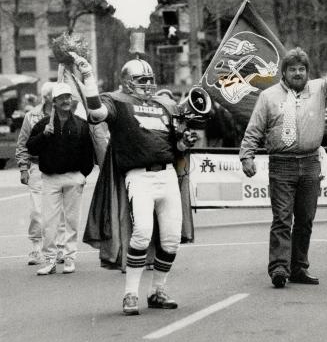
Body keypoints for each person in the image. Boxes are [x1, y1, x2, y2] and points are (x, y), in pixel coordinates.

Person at [73, 54, 198, 316]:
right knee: (141, 232)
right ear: (127, 82)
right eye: (142, 80)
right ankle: (130, 293)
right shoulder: (117, 101)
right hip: (138, 176)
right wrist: (88, 79)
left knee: (171, 239)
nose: (148, 85)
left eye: (150, 80)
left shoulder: (164, 104)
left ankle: (158, 291)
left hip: (166, 176)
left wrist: (185, 143)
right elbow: (96, 113)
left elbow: (174, 145)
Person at [240, 47, 325, 288]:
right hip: (282, 164)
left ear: (308, 71)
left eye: (302, 69)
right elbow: (254, 128)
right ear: (284, 73)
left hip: (310, 163)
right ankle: (279, 268)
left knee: (306, 219)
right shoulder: (268, 97)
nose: (298, 73)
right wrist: (247, 155)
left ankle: (299, 267)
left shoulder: (319, 90)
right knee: (282, 218)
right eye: (292, 69)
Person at [26, 82, 94, 275]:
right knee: (49, 222)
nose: (66, 101)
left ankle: (70, 257)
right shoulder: (43, 124)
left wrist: (83, 175)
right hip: (49, 178)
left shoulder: (81, 124)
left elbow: (88, 153)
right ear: (54, 102)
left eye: (68, 97)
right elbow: (31, 147)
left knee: (72, 221)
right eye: (62, 98)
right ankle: (50, 260)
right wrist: (44, 136)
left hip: (74, 178)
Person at [15, 82, 66, 266]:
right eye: (53, 97)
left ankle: (60, 248)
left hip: (59, 168)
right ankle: (36, 248)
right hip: (37, 167)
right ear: (46, 98)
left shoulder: (65, 115)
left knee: (59, 211)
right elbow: (22, 144)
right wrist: (23, 168)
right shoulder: (31, 116)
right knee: (37, 211)